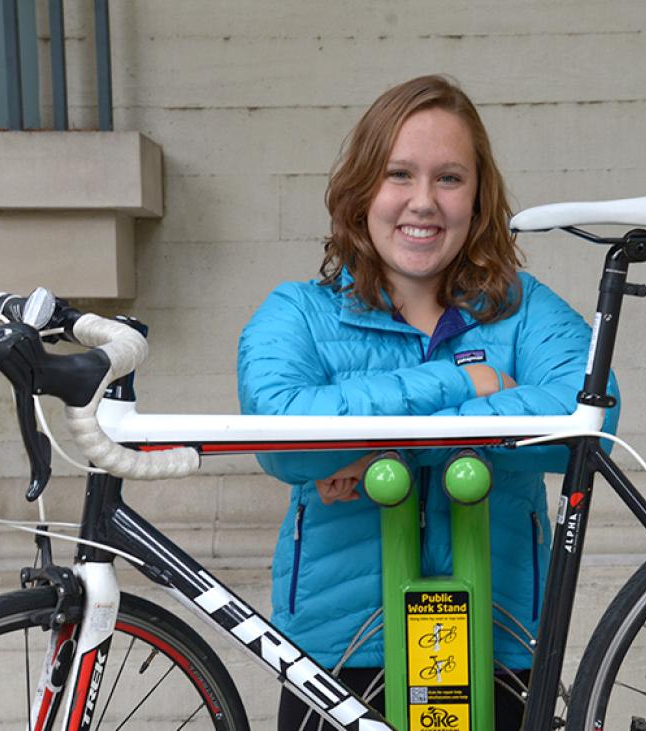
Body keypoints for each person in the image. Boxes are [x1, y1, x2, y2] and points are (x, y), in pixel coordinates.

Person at [237, 74, 619, 729]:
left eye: (449, 178)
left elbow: (591, 418)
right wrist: (463, 385)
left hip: (500, 640)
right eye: (399, 175)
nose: (423, 202)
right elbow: (279, 433)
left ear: (478, 197)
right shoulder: (296, 311)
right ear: (362, 191)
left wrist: (386, 449)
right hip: (340, 648)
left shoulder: (523, 310)